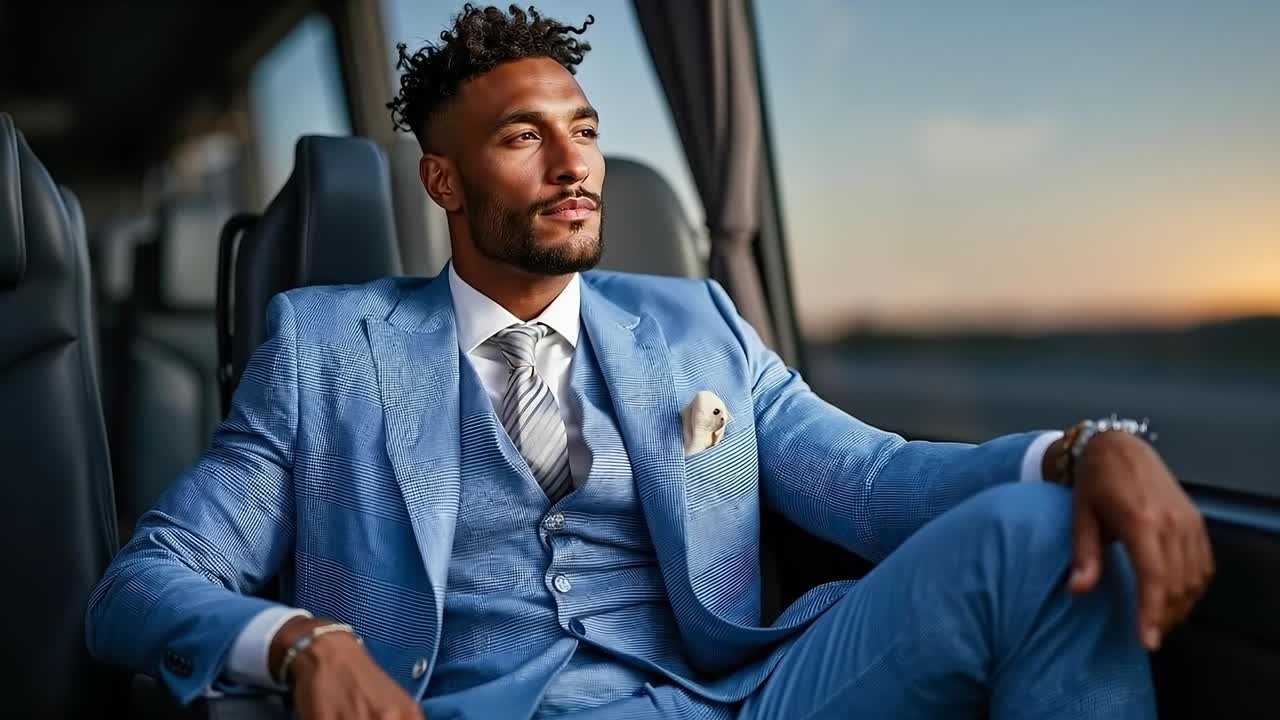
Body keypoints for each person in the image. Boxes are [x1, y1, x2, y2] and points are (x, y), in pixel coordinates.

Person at [86, 5, 1212, 719]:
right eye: (523, 137)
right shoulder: (325, 346)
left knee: (1042, 533)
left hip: (739, 697)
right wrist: (299, 642)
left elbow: (871, 482)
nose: (574, 164)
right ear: (442, 182)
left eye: (581, 128)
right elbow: (141, 585)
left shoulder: (696, 321)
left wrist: (1083, 449)